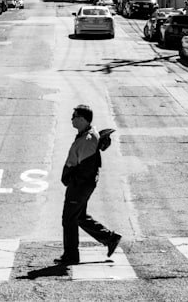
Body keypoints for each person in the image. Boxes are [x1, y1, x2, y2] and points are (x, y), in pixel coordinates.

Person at [56, 104, 121, 266]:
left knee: (69, 218)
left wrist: (73, 182)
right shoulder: (85, 134)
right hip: (82, 184)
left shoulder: (88, 139)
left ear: (83, 120)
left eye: (74, 116)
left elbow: (85, 167)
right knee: (79, 216)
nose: (71, 119)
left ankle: (71, 255)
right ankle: (110, 238)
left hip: (81, 185)